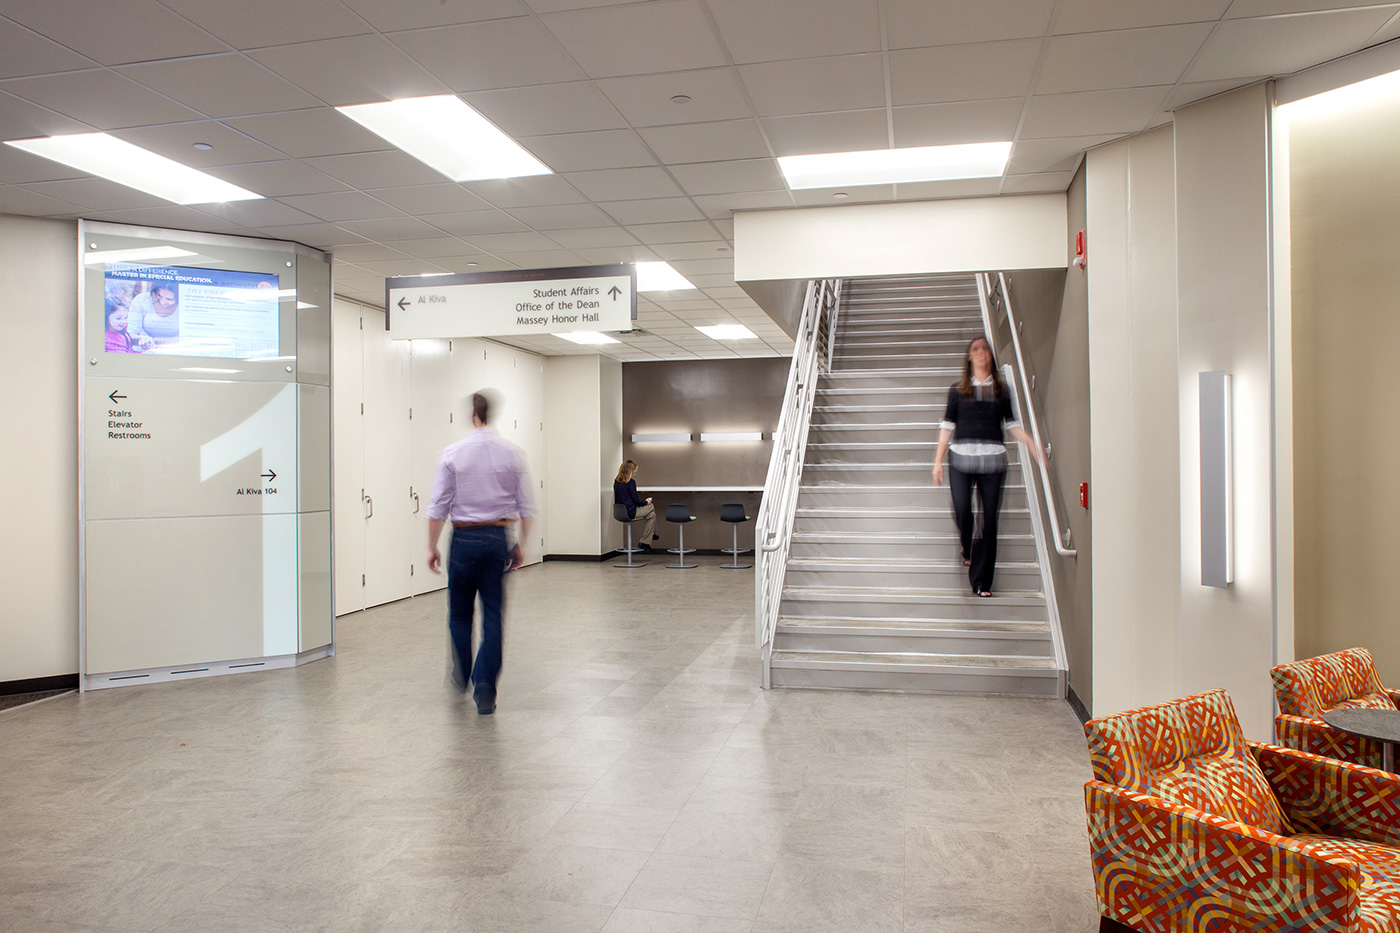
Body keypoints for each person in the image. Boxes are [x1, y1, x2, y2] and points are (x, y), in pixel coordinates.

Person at [426, 391, 535, 715]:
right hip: (496, 537)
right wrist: (520, 545)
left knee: (459, 613)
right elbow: (527, 508)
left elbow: (438, 507)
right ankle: (486, 684)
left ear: (474, 414)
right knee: (492, 614)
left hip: (462, 537)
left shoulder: (453, 453)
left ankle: (462, 672)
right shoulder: (513, 454)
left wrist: (431, 546)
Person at [931, 336, 1043, 598]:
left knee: (989, 520)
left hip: (993, 463)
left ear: (991, 356)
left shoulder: (1002, 391)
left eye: (985, 349)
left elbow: (1011, 424)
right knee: (962, 509)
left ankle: (981, 582)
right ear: (969, 357)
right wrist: (937, 461)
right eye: (975, 349)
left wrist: (1030, 443)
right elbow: (947, 426)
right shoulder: (957, 391)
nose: (981, 353)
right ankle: (967, 547)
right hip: (961, 459)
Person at [613, 459, 658, 550]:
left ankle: (648, 539)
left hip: (619, 512)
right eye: (634, 471)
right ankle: (649, 537)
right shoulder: (630, 482)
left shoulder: (616, 482)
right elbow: (636, 501)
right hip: (630, 512)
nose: (634, 473)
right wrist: (646, 502)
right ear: (630, 471)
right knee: (651, 506)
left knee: (652, 515)